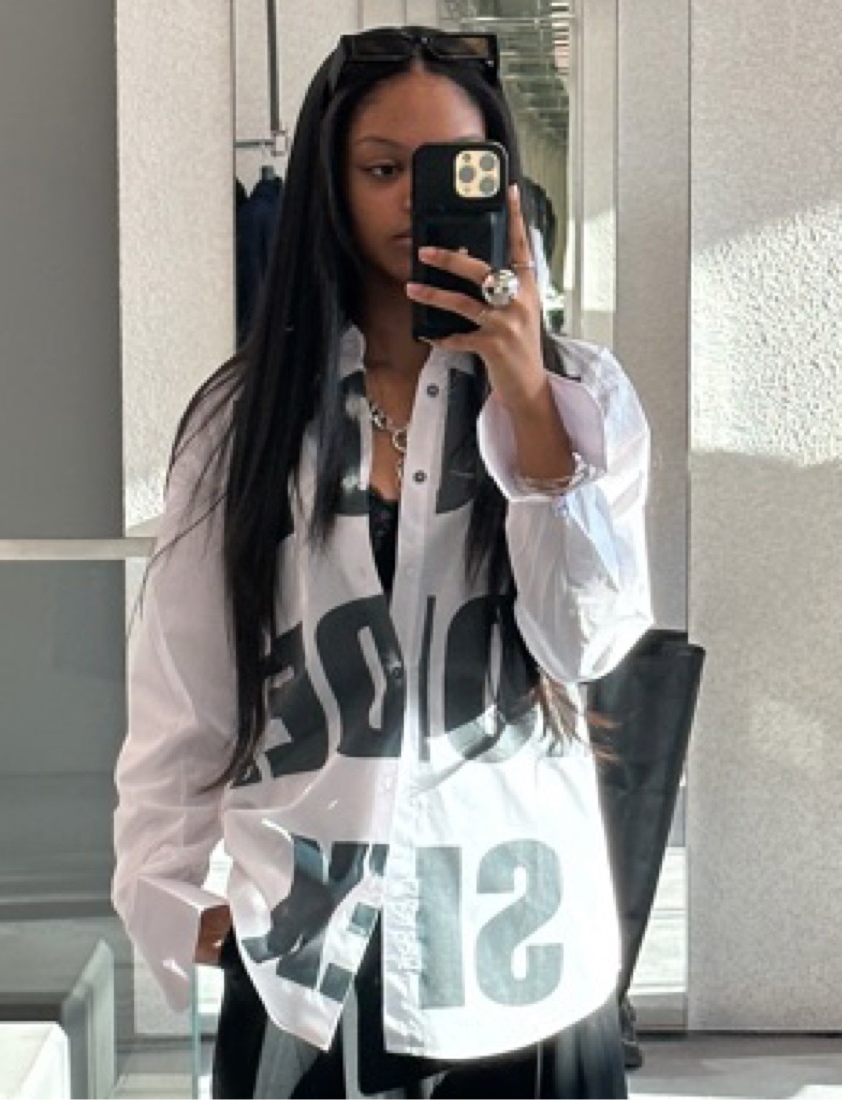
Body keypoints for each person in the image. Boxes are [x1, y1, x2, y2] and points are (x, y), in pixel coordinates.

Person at [112, 25, 653, 1099]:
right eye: (380, 168)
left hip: (522, 952)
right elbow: (186, 682)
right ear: (330, 186)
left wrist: (525, 388)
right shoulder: (248, 419)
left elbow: (586, 640)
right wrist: (166, 894)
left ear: (500, 182)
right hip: (308, 958)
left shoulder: (583, 396)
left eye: (451, 168)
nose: (415, 197)